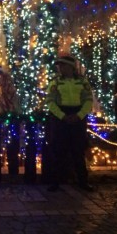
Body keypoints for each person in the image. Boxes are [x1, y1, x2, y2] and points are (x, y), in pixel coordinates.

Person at [45, 55, 94, 192]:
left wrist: (79, 115)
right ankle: (55, 182)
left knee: (78, 151)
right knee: (58, 151)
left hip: (77, 117)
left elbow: (88, 100)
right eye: (59, 66)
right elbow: (50, 101)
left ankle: (83, 181)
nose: (61, 68)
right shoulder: (55, 82)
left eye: (63, 66)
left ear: (71, 67)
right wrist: (62, 116)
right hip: (61, 118)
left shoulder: (82, 82)